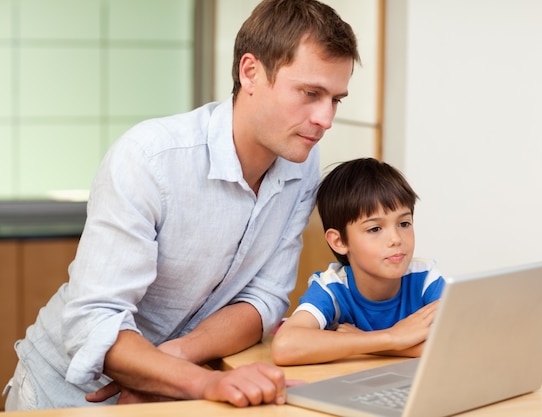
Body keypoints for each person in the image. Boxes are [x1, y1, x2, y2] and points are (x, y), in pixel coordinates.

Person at [2, 0, 360, 410]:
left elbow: (264, 298)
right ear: (250, 72)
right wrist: (199, 383)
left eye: (336, 99)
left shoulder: (301, 162)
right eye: (310, 93)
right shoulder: (150, 158)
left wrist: (173, 363)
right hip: (68, 394)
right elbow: (94, 321)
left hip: (180, 387)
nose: (326, 119)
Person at [271, 158, 445, 366]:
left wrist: (364, 342)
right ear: (340, 241)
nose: (396, 239)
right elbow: (285, 346)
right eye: (375, 229)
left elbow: (457, 344)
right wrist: (392, 337)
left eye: (404, 223)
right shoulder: (332, 288)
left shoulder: (425, 278)